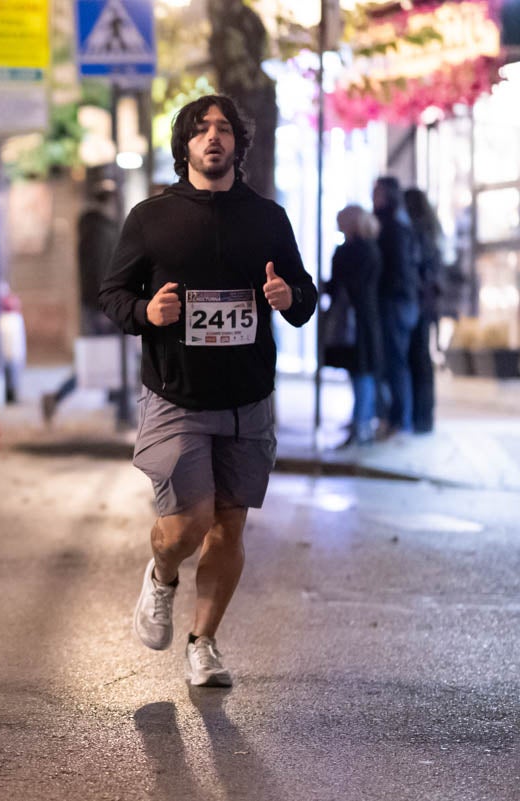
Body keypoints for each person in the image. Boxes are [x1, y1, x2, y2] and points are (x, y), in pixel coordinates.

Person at [98, 95, 317, 687]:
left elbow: (305, 295)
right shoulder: (151, 217)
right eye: (201, 130)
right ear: (185, 145)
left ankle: (204, 643)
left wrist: (289, 298)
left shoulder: (268, 218)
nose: (213, 138)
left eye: (224, 130)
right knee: (185, 527)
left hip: (247, 398)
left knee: (230, 526)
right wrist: (150, 310)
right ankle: (161, 574)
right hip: (177, 397)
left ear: (238, 147)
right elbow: (112, 297)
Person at [41, 179, 121, 424]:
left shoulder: (99, 227)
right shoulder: (98, 229)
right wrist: (103, 305)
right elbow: (97, 270)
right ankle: (57, 397)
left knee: (107, 359)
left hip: (102, 303)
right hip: (102, 305)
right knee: (99, 360)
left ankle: (116, 406)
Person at [327, 205, 383, 446]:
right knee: (363, 372)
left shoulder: (349, 251)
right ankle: (362, 420)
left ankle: (361, 423)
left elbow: (341, 285)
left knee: (360, 372)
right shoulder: (370, 248)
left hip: (354, 319)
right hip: (365, 317)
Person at [372, 176, 421, 438]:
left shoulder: (393, 227)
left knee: (394, 363)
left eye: (378, 192)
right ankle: (394, 418)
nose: (373, 197)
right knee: (392, 363)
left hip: (396, 303)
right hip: (398, 302)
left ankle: (398, 420)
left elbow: (398, 270)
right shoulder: (395, 224)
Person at [403, 188, 442, 434]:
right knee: (422, 361)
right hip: (427, 305)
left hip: (418, 303)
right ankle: (423, 417)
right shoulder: (431, 232)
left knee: (416, 359)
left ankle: (420, 418)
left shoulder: (416, 232)